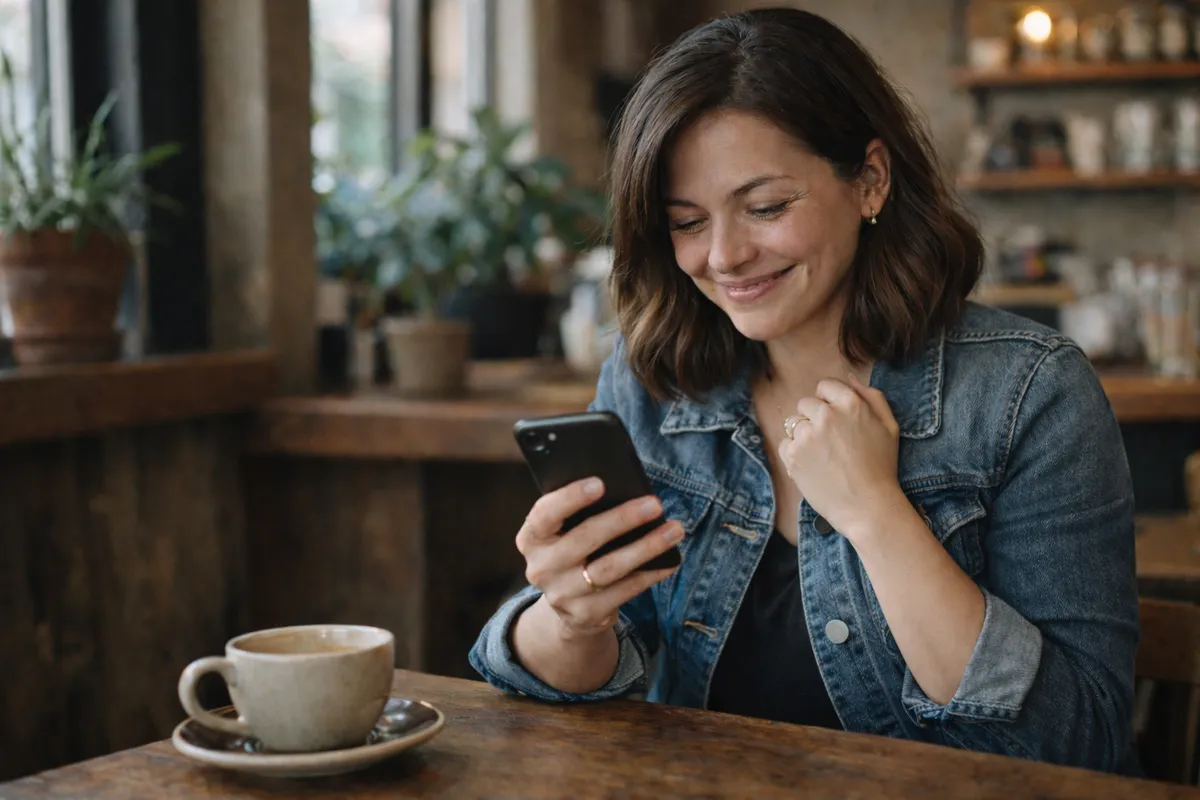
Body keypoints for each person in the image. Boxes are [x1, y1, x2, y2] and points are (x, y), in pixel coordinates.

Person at [470, 7, 1139, 774]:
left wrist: (876, 514)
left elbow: (1078, 741)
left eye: (766, 207)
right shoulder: (652, 377)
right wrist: (567, 617)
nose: (724, 256)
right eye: (686, 222)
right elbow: (586, 682)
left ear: (871, 181)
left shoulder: (1029, 393)